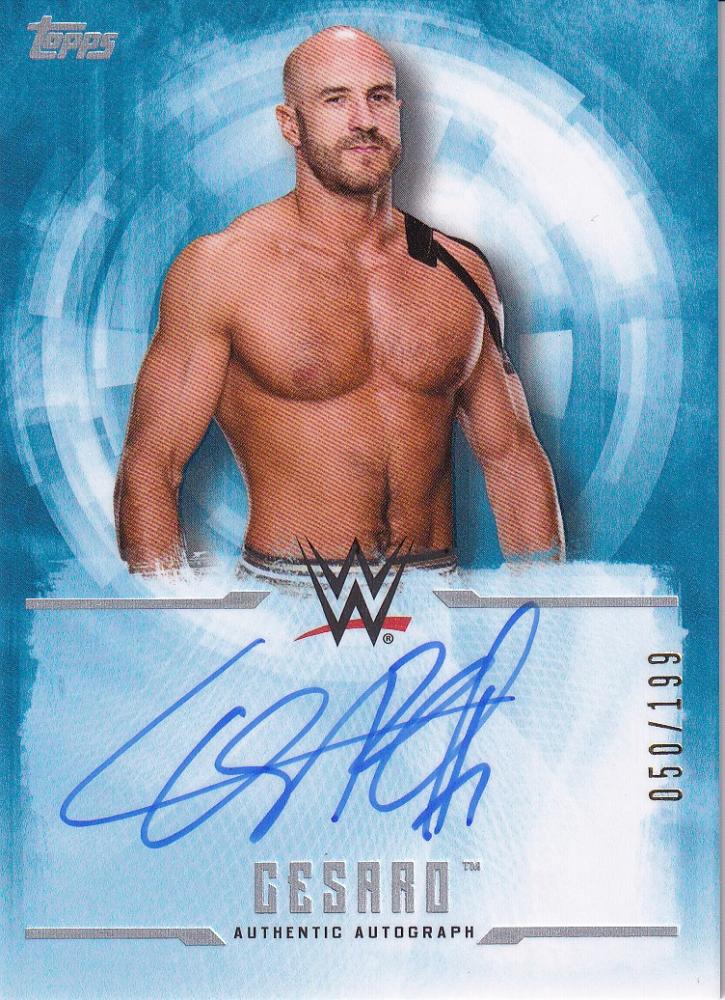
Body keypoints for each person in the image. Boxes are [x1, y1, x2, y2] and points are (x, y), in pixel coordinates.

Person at [114, 26, 564, 576]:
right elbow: (152, 466)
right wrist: (166, 611)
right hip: (289, 592)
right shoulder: (223, 268)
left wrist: (545, 603)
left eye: (379, 97)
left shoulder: (460, 270)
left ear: (399, 112)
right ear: (290, 124)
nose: (363, 120)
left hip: (432, 588)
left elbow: (511, 456)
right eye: (335, 99)